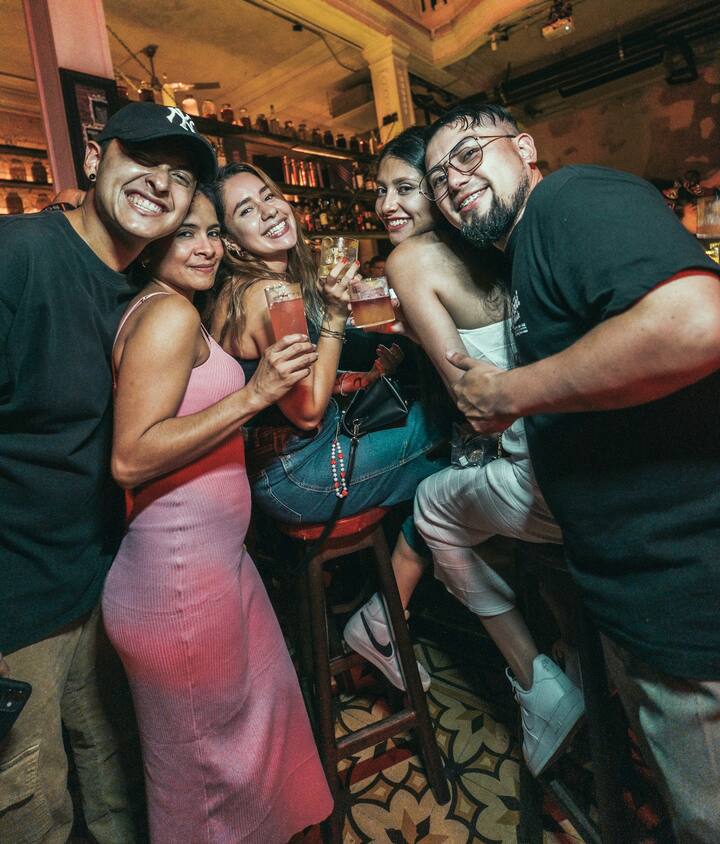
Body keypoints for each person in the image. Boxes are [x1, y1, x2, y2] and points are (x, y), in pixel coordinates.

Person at [424, 102, 720, 841]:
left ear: (525, 148)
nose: (453, 180)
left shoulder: (569, 198)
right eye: (436, 178)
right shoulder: (527, 253)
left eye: (468, 154)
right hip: (648, 590)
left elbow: (697, 320)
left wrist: (509, 393)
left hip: (688, 592)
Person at [0, 101, 217, 843]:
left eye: (180, 178)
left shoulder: (139, 291)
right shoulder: (18, 255)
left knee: (118, 787)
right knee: (31, 813)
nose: (160, 183)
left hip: (96, 585)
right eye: (142, 160)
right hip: (15, 607)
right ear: (95, 159)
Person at [343, 126, 584, 778]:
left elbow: (471, 396)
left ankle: (534, 678)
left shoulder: (409, 260)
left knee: (429, 500)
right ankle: (573, 653)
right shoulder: (498, 245)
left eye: (405, 187)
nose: (387, 205)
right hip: (583, 459)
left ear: (440, 190)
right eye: (380, 192)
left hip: (536, 472)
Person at [103, 185, 331, 843]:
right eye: (185, 233)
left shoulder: (179, 307)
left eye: (211, 232)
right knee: (207, 793)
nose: (205, 247)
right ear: (150, 242)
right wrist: (255, 395)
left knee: (258, 744)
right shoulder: (168, 316)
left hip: (212, 568)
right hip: (179, 587)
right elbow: (130, 457)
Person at [209, 162, 448, 690]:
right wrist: (337, 314)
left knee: (438, 458)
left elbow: (292, 388)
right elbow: (308, 411)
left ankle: (389, 607)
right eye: (246, 210)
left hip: (278, 470)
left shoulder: (245, 288)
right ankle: (388, 616)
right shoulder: (268, 295)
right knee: (455, 437)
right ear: (228, 240)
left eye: (268, 195)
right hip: (305, 474)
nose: (269, 210)